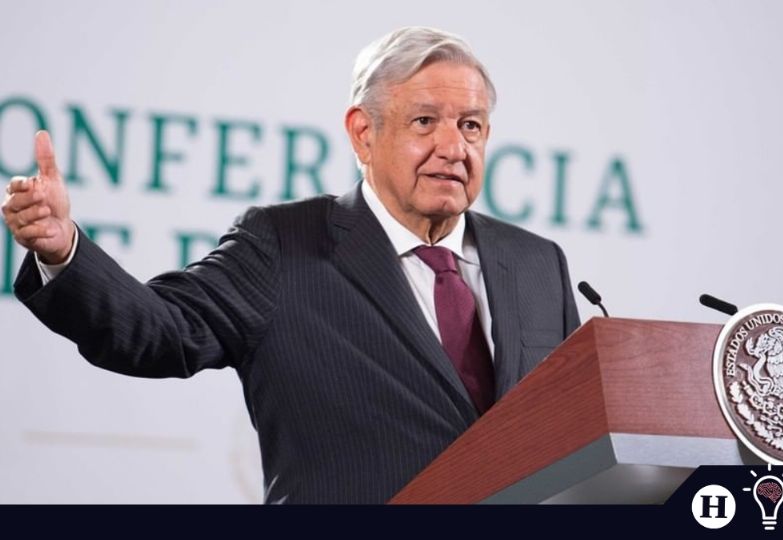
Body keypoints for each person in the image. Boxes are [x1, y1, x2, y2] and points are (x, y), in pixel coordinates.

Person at [1, 27, 580, 503]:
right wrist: (62, 248)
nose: (453, 147)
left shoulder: (536, 263)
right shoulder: (282, 244)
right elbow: (161, 332)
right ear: (363, 133)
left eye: (470, 125)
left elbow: (580, 424)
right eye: (425, 122)